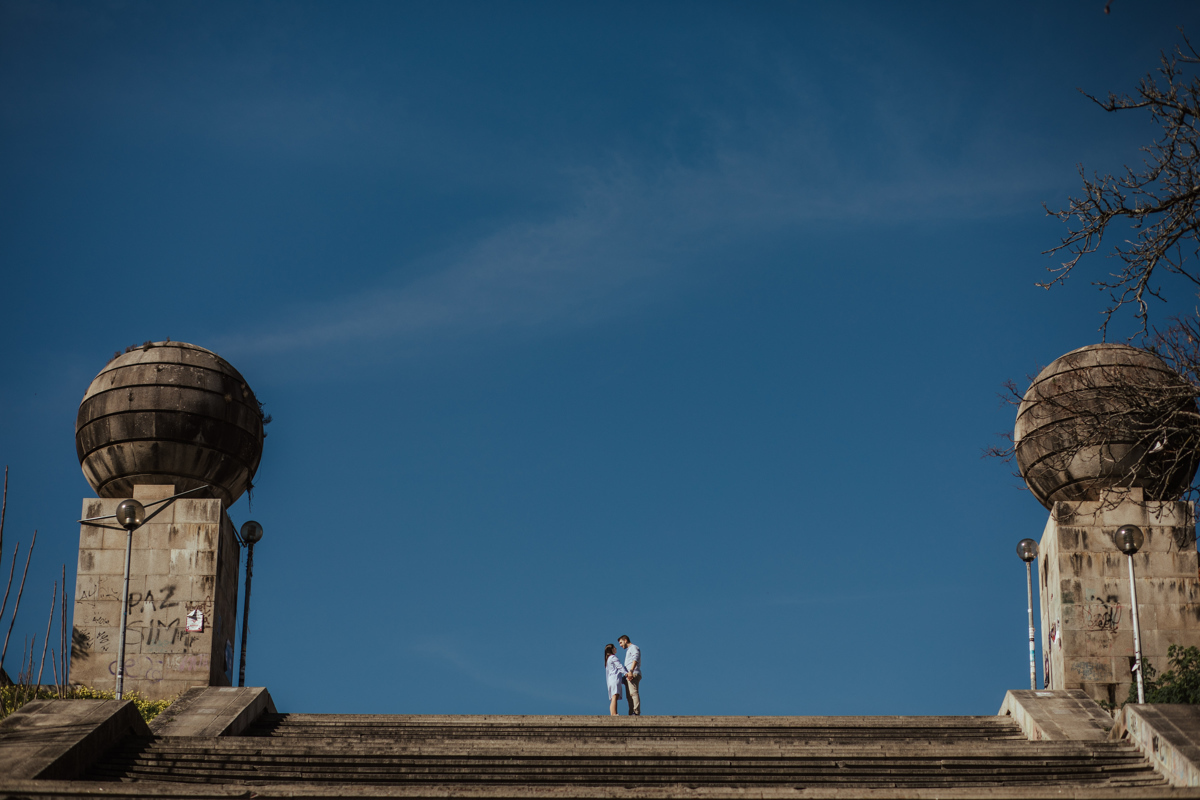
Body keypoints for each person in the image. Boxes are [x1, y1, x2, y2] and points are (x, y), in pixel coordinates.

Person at [618, 635, 641, 716]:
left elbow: (636, 658)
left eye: (621, 642)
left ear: (625, 640)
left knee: (633, 693)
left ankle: (636, 712)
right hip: (629, 675)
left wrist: (631, 671)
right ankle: (631, 712)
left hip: (633, 673)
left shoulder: (633, 647)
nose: (620, 645)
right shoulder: (628, 650)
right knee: (629, 696)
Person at [604, 643, 627, 716]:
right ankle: (614, 713)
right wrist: (626, 673)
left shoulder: (608, 660)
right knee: (615, 696)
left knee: (613, 697)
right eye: (614, 647)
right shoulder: (613, 657)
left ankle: (612, 713)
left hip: (611, 680)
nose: (616, 648)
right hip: (614, 679)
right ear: (611, 649)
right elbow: (620, 666)